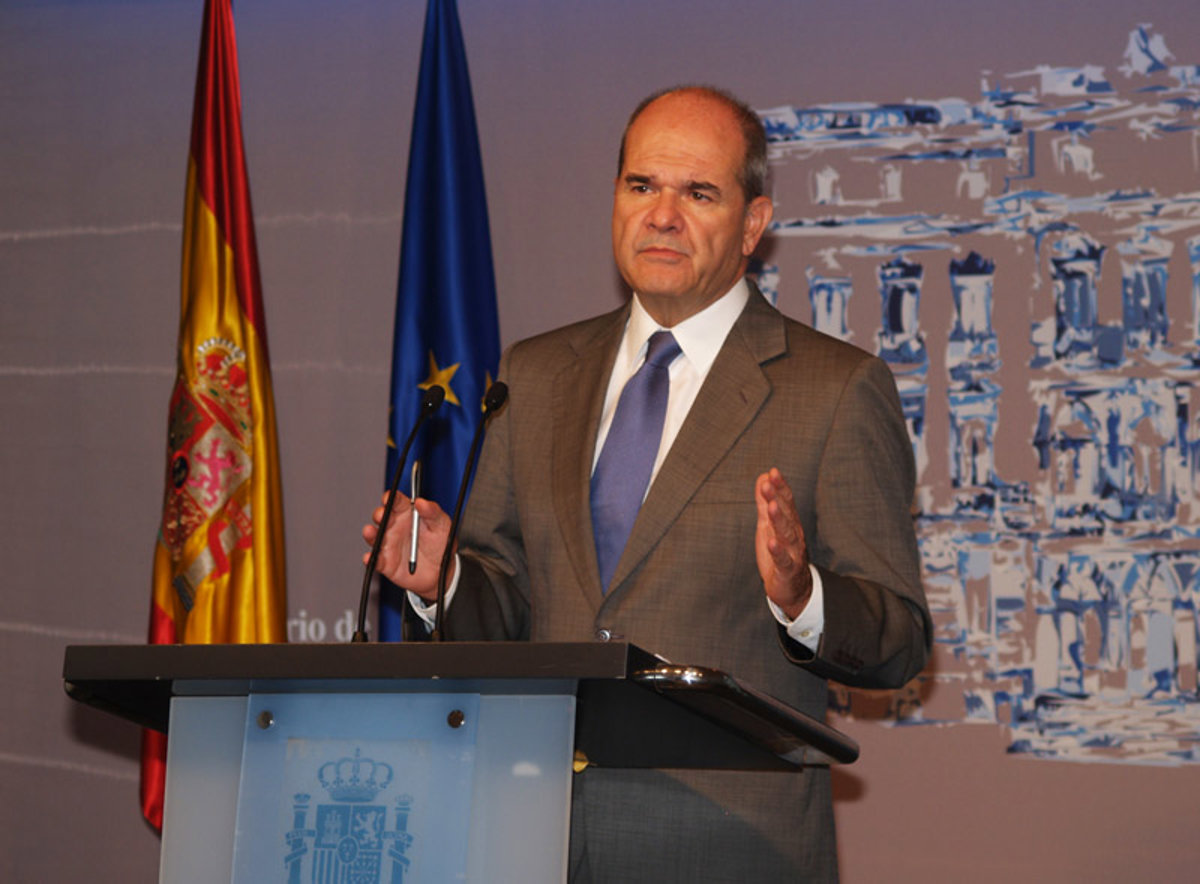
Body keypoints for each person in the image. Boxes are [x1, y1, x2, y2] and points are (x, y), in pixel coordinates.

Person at [364, 85, 931, 882]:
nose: (661, 215)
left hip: (726, 851)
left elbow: (900, 641)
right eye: (641, 186)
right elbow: (508, 605)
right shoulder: (535, 374)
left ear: (753, 225)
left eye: (698, 193)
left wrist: (805, 597)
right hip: (531, 840)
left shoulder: (835, 390)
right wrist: (447, 580)